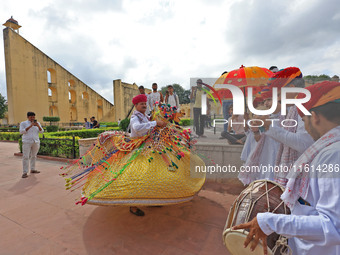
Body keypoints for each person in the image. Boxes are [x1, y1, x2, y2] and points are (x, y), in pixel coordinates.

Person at [233, 81, 340, 255]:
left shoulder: (333, 155)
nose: (304, 126)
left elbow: (333, 226)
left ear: (315, 117)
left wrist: (269, 222)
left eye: (304, 120)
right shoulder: (329, 151)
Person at [264, 67, 314, 186]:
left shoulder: (306, 106)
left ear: (291, 89)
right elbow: (285, 136)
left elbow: (304, 144)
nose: (278, 98)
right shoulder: (294, 107)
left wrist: (269, 128)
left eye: (279, 94)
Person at [129, 94, 166, 215]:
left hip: (148, 149)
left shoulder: (145, 116)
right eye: (141, 104)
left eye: (145, 103)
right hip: (137, 151)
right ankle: (133, 205)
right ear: (136, 106)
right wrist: (155, 123)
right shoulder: (135, 117)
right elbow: (137, 128)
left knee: (151, 175)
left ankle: (151, 200)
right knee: (137, 178)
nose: (144, 105)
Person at [19, 112, 44, 178]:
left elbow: (42, 132)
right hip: (27, 142)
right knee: (26, 157)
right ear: (28, 117)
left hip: (36, 142)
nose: (33, 118)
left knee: (34, 156)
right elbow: (21, 131)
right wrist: (31, 126)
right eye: (31, 117)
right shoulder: (23, 123)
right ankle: (25, 172)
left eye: (34, 117)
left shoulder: (38, 123)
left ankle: (32, 169)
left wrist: (38, 126)